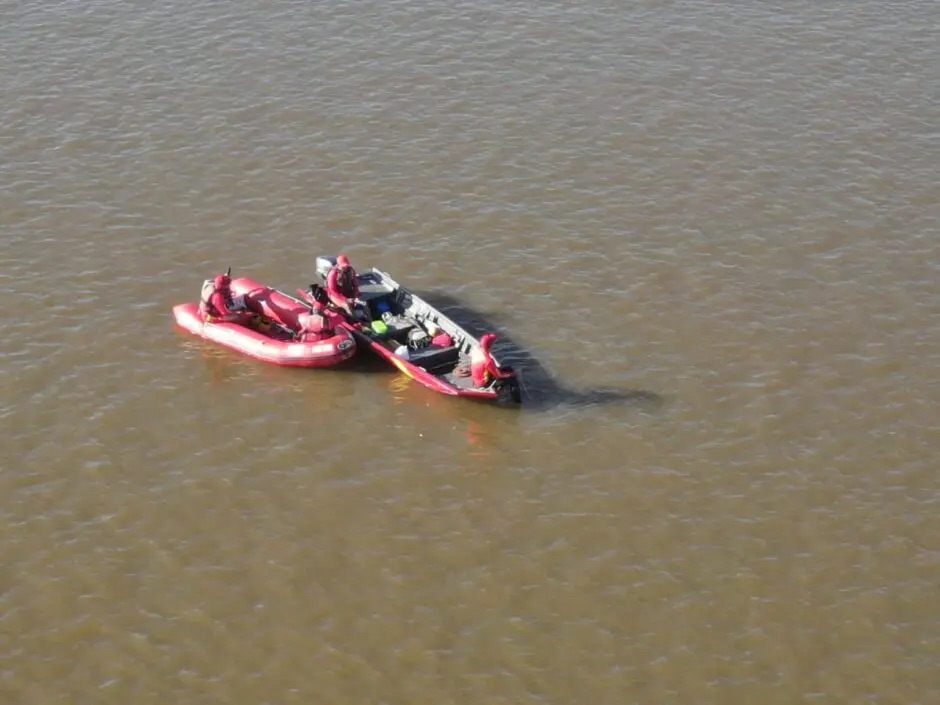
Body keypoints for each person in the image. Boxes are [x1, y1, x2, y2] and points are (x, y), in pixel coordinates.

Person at [326, 254, 368, 325]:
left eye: (346, 265)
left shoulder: (351, 270)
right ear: (339, 265)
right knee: (347, 305)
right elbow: (332, 291)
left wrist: (356, 293)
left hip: (346, 291)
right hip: (336, 295)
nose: (345, 267)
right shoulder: (333, 274)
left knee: (361, 301)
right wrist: (346, 299)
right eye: (343, 266)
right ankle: (355, 323)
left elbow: (355, 283)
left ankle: (365, 316)